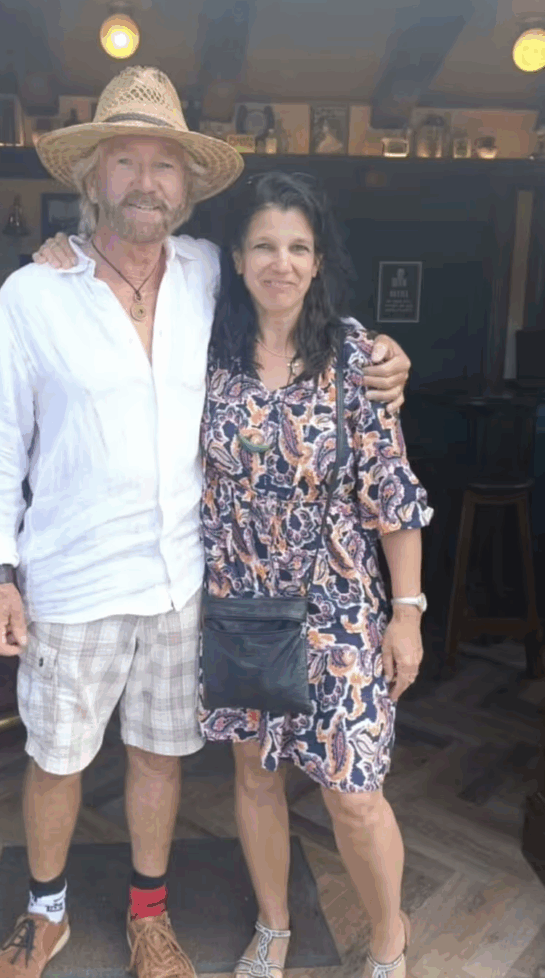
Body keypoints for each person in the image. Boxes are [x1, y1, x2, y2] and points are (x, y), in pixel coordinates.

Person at [0, 65, 411, 978]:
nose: (144, 181)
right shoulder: (32, 296)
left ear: (186, 186)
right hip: (73, 576)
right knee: (56, 757)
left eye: (162, 164)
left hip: (182, 579)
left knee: (159, 756)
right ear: (92, 176)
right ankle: (45, 915)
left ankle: (149, 916)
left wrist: (384, 356)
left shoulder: (209, 274)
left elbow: (299, 310)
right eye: (124, 160)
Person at [199, 172, 432, 978]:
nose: (281, 262)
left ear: (318, 260)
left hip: (337, 610)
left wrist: (407, 613)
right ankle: (273, 925)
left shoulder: (357, 358)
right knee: (254, 774)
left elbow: (392, 493)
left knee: (353, 793)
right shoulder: (205, 353)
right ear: (235, 257)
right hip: (239, 601)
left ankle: (389, 939)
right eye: (263, 245)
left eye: (298, 247)